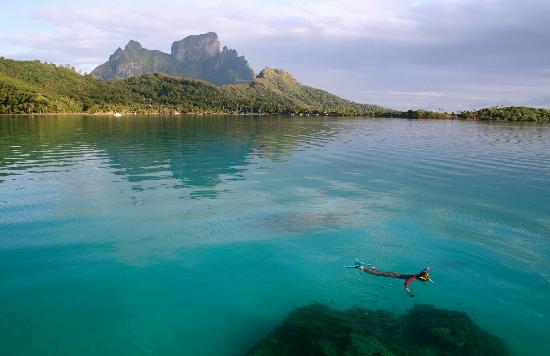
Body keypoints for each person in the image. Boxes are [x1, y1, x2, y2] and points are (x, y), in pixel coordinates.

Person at [348, 259, 434, 296]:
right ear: (421, 278)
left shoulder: (419, 275)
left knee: (379, 273)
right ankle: (361, 267)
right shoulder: (414, 277)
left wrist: (429, 276)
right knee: (377, 274)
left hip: (395, 274)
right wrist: (407, 288)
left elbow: (423, 273)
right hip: (393, 275)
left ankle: (373, 268)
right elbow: (407, 282)